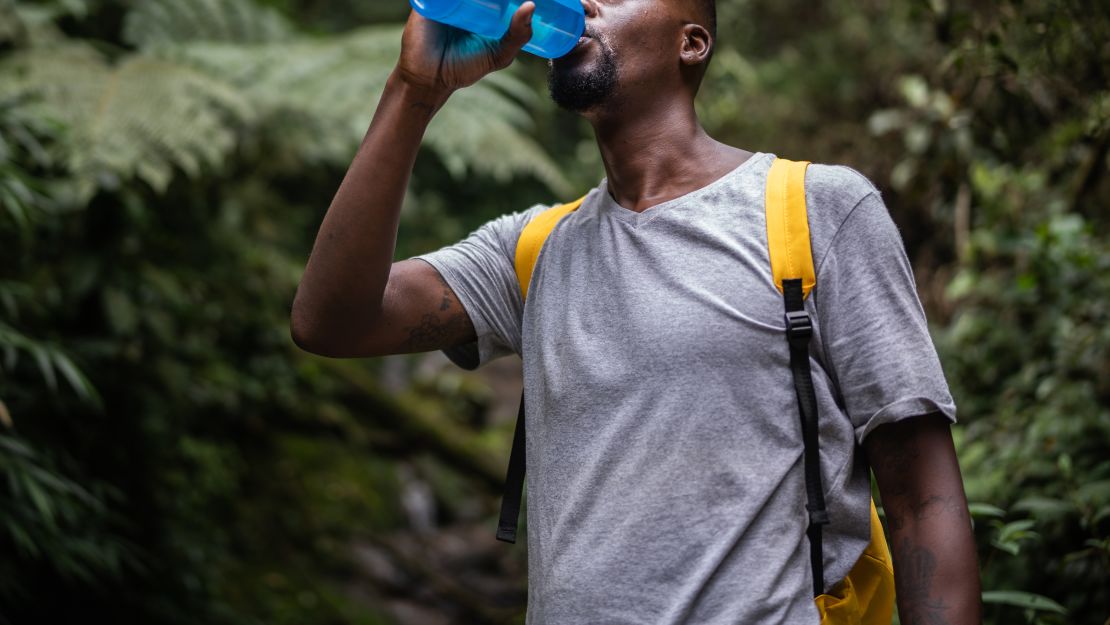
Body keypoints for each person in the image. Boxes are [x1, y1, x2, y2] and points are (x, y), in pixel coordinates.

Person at [290, 0, 982, 622]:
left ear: (692, 43)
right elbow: (331, 321)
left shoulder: (815, 211)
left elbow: (922, 494)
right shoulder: (531, 252)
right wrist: (415, 90)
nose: (583, 2)